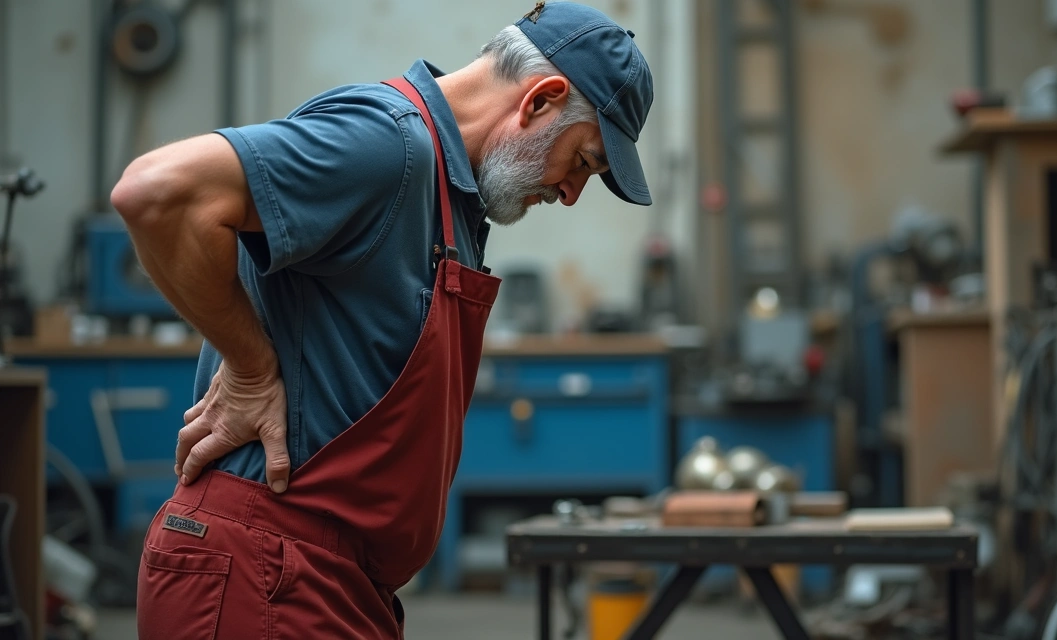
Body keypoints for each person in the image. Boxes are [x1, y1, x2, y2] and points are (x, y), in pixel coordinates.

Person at [110, 2, 653, 637]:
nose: (571, 193)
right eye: (583, 161)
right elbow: (158, 192)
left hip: (329, 582)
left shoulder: (450, 197)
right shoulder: (389, 146)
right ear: (541, 100)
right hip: (266, 570)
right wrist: (251, 368)